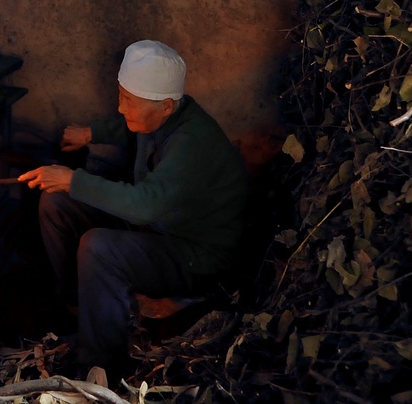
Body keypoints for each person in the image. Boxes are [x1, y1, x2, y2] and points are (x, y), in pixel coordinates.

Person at [18, 40, 249, 380]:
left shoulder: (193, 143)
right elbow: (131, 131)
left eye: (128, 100)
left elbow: (145, 206)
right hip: (160, 226)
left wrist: (73, 179)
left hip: (194, 254)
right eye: (121, 95)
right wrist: (91, 133)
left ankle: (101, 364)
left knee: (99, 247)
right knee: (56, 203)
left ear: (167, 106)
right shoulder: (158, 117)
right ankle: (78, 309)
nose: (121, 107)